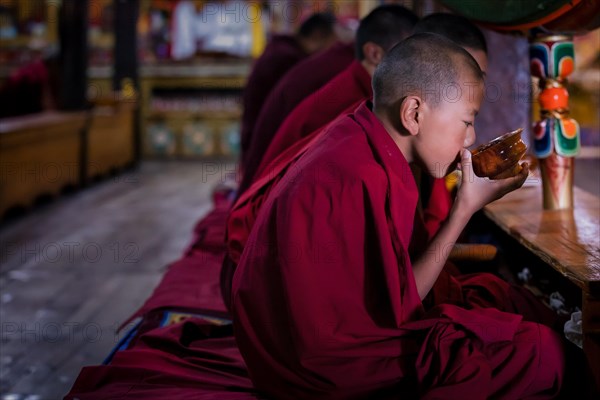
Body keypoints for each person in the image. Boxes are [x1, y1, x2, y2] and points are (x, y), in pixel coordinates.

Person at [232, 34, 564, 398]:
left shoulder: (365, 140)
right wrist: (464, 209)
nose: (470, 139)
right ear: (413, 114)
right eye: (467, 122)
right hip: (321, 368)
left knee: (499, 298)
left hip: (308, 346)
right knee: (538, 350)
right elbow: (403, 307)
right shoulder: (357, 174)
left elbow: (398, 286)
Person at [239, 5, 418, 194]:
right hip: (271, 188)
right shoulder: (354, 101)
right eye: (411, 55)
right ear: (374, 53)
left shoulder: (355, 77)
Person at [240, 12, 338, 165]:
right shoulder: (287, 59)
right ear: (319, 36)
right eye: (333, 43)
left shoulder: (283, 49)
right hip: (265, 143)